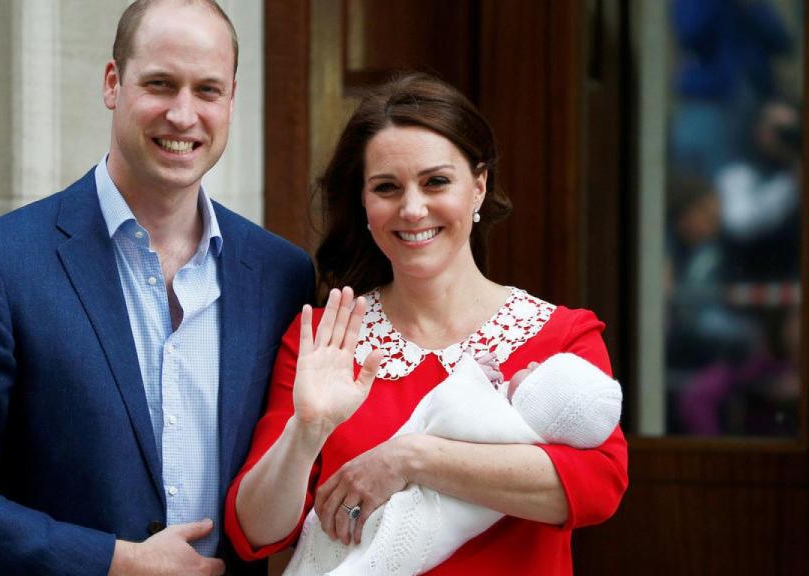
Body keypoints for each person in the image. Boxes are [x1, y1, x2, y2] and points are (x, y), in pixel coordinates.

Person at [0, 1, 313, 575]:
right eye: (160, 84)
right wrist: (112, 562)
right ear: (113, 83)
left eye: (207, 90)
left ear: (232, 99)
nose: (183, 115)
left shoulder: (281, 275)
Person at [225, 73, 628, 574]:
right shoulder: (327, 338)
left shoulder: (561, 336)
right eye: (387, 188)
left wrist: (410, 459)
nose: (413, 209)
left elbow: (597, 487)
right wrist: (306, 432)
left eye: (436, 181)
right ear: (364, 205)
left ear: (478, 186)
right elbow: (256, 534)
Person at [285, 352, 622, 576]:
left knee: (379, 548)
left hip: (417, 512)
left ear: (537, 400)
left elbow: (448, 414)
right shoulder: (325, 338)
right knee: (345, 538)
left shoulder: (509, 427)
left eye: (538, 374)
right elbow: (255, 527)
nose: (532, 364)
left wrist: (470, 375)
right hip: (350, 515)